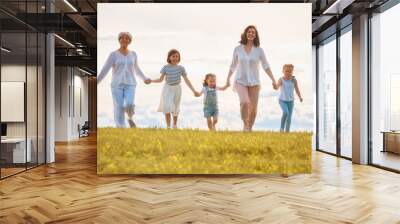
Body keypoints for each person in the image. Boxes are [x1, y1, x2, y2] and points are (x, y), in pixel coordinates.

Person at [226, 25, 277, 131]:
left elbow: (266, 66)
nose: (251, 33)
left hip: (255, 82)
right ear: (245, 34)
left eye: (253, 32)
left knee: (253, 108)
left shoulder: (259, 50)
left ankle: (249, 128)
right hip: (240, 80)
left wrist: (273, 80)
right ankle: (245, 124)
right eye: (249, 32)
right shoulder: (238, 49)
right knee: (244, 102)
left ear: (255, 35)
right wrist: (228, 79)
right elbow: (233, 65)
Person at [97, 32, 151, 128]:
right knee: (119, 107)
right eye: (122, 38)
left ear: (130, 41)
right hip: (116, 84)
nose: (124, 40)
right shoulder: (113, 55)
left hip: (130, 83)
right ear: (119, 40)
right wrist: (96, 82)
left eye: (127, 38)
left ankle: (130, 118)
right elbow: (105, 69)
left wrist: (144, 78)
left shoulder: (133, 54)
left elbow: (137, 69)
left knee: (130, 104)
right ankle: (121, 128)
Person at [151, 49, 198, 129]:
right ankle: (168, 126)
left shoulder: (181, 68)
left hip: (177, 89)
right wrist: (151, 81)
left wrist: (194, 90)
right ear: (169, 57)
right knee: (167, 107)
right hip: (167, 88)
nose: (175, 58)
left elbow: (186, 80)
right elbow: (160, 80)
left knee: (176, 107)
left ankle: (175, 125)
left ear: (179, 58)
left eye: (177, 56)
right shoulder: (165, 67)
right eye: (173, 56)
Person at [275, 64, 303, 132]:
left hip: (291, 101)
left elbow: (297, 89)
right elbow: (277, 86)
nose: (288, 73)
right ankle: (281, 129)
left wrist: (300, 97)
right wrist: (275, 86)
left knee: (289, 118)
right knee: (286, 112)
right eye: (286, 71)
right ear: (283, 71)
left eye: (290, 71)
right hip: (282, 100)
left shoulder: (294, 80)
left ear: (292, 72)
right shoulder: (281, 80)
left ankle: (287, 132)